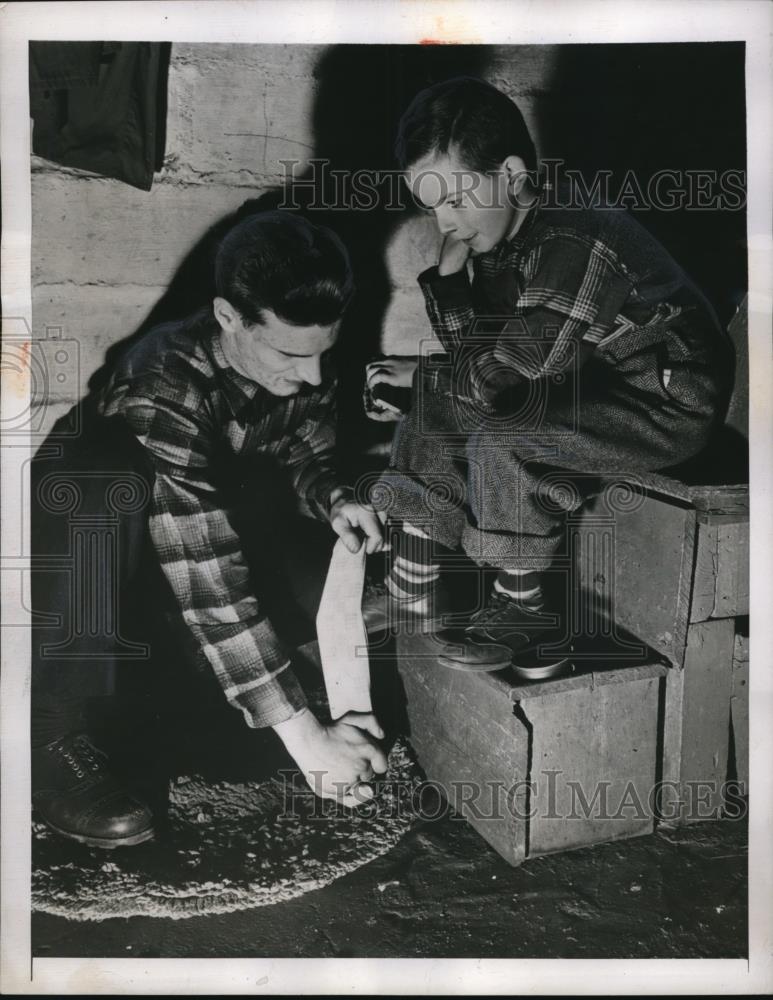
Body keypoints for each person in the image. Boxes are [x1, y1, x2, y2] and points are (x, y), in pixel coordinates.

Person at [31, 211, 388, 848]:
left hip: (192, 563)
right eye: (291, 355)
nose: (313, 375)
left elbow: (303, 445)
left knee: (346, 587)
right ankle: (52, 738)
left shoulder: (299, 351)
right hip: (101, 582)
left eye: (323, 353)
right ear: (227, 317)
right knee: (98, 480)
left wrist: (332, 494)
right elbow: (205, 568)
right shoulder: (162, 380)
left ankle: (198, 686)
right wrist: (307, 737)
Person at [362, 77, 734, 675]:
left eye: (455, 199)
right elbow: (485, 360)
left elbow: (506, 385)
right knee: (434, 404)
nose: (444, 222)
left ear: (511, 174)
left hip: (661, 407)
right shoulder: (507, 231)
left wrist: (439, 336)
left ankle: (522, 607)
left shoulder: (574, 236)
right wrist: (446, 320)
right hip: (590, 386)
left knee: (502, 436)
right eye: (431, 207)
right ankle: (412, 587)